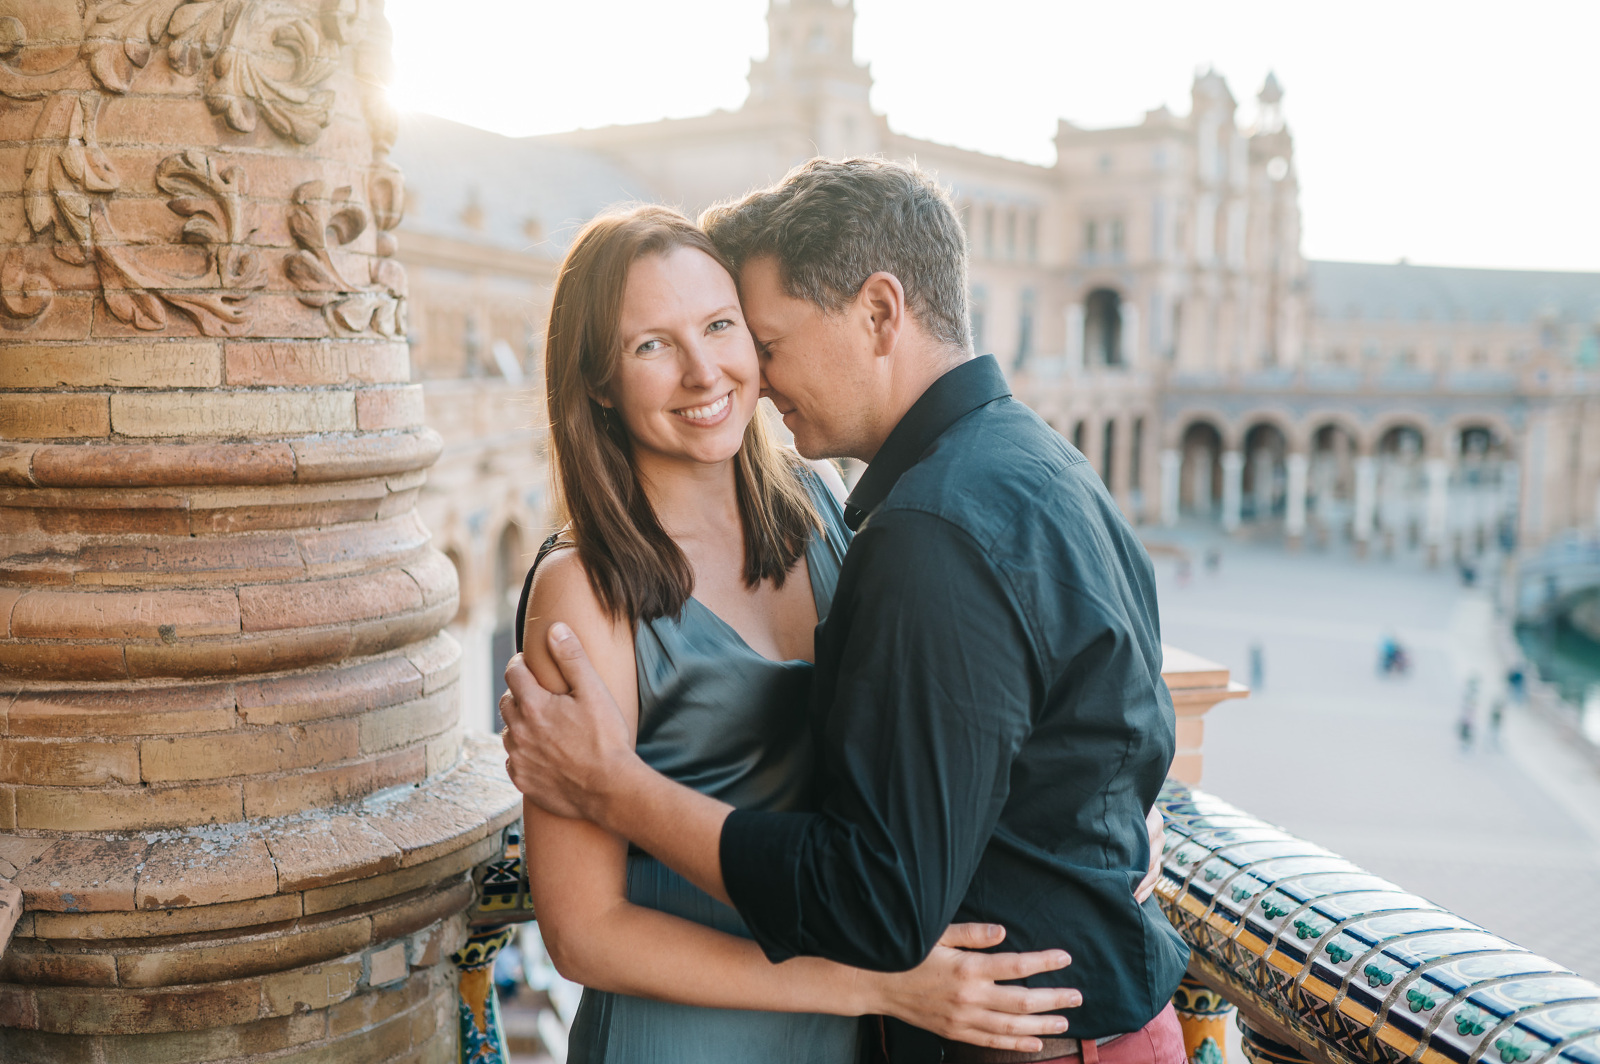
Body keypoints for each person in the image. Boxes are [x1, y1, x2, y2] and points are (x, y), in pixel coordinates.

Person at [502, 160, 1189, 1064]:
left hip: (873, 1023)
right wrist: (868, 981)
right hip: (707, 1032)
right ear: (597, 380)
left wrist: (1081, 824)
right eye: (650, 345)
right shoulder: (582, 590)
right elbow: (584, 934)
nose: (706, 370)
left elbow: (953, 718)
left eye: (726, 327)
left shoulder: (827, 512)